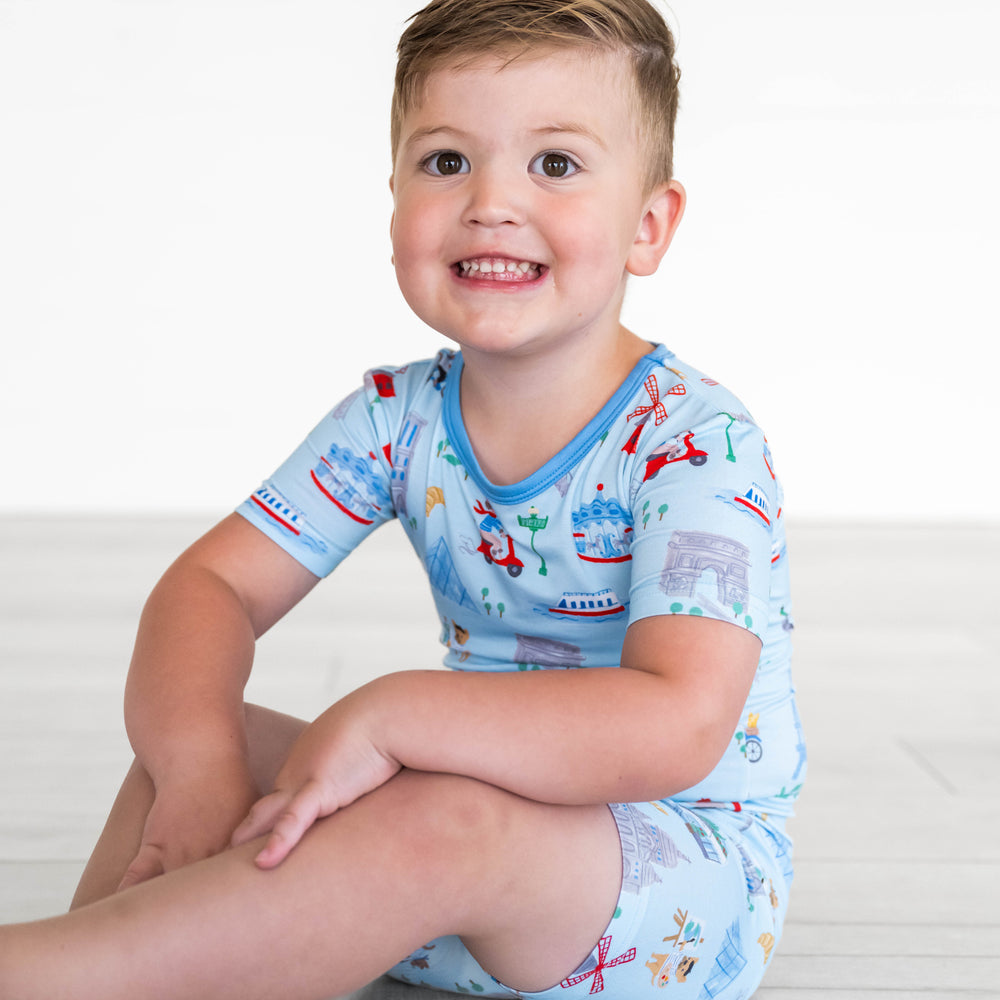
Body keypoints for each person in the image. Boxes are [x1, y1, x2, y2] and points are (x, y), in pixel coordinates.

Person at [0, 1, 806, 997]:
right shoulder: (396, 416)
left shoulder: (696, 440)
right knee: (215, 732)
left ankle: (46, 973)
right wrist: (203, 772)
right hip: (452, 845)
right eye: (445, 162)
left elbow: (679, 726)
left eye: (553, 164)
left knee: (449, 818)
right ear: (393, 200)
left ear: (647, 226)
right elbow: (211, 583)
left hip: (664, 885)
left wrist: (392, 714)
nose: (489, 204)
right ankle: (108, 957)